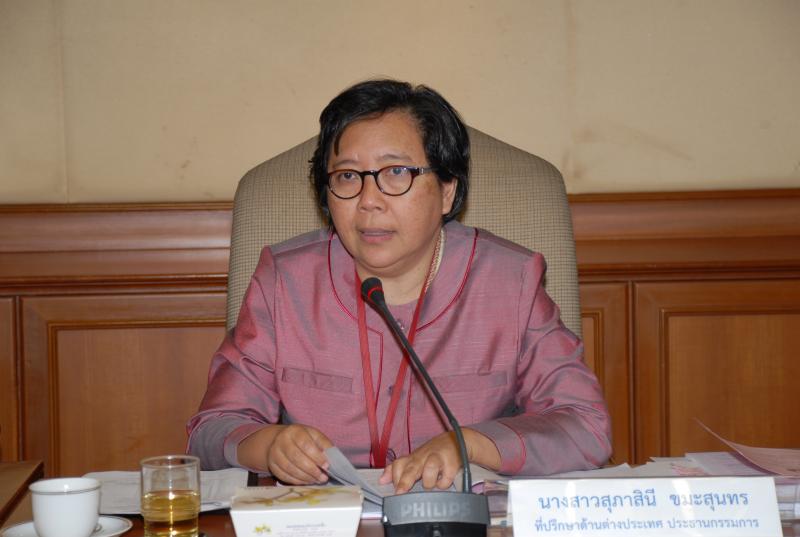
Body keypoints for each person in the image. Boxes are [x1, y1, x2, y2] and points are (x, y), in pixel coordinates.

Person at [187, 79, 612, 493]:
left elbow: (585, 426)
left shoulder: (510, 281)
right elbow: (209, 431)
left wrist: (472, 445)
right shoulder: (284, 282)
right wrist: (267, 445)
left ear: (447, 190)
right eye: (348, 176)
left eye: (396, 172)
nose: (369, 200)